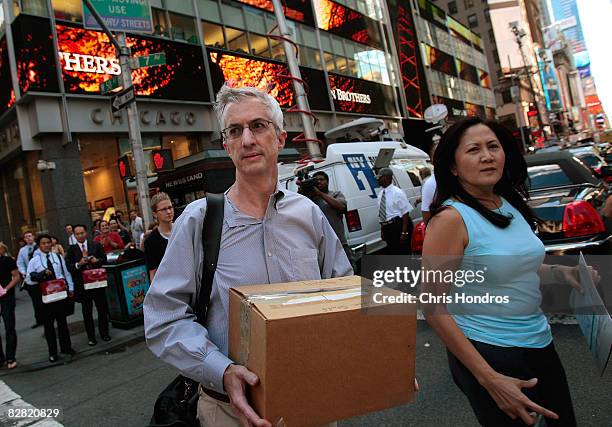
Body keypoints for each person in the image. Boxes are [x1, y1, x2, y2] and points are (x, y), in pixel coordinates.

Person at [144, 85, 352, 427]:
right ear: (226, 146)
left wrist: (376, 357)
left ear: (281, 138)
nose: (247, 139)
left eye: (258, 126)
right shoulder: (198, 221)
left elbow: (343, 294)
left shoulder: (308, 214)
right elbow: (163, 317)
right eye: (235, 131)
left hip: (310, 398)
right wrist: (221, 370)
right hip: (230, 411)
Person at [423, 117, 585, 426]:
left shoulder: (506, 203)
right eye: (473, 149)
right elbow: (432, 306)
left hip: (539, 341)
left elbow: (517, 267)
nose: (487, 156)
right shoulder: (450, 220)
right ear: (453, 167)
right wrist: (489, 379)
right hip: (491, 353)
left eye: (493, 146)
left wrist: (560, 273)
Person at [25, 234, 75, 363]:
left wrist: (70, 288)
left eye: (48, 242)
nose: (47, 245)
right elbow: (29, 280)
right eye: (43, 243)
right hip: (46, 297)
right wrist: (41, 275)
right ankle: (52, 352)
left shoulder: (57, 256)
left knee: (62, 323)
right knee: (49, 326)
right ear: (39, 245)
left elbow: (66, 273)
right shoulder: (34, 261)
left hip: (60, 294)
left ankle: (66, 348)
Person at [300, 171, 355, 270]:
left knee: (350, 272)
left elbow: (341, 206)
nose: (319, 182)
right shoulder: (308, 200)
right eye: (316, 180)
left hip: (339, 243)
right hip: (321, 248)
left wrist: (320, 194)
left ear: (327, 182)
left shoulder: (335, 194)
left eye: (322, 179)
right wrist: (302, 189)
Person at [66, 225, 110, 346]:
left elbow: (105, 259)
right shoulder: (71, 249)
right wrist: (78, 264)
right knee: (87, 312)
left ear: (86, 233)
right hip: (83, 285)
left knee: (102, 309)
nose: (80, 236)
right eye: (77, 234)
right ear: (74, 235)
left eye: (82, 233)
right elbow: (69, 267)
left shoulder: (95, 245)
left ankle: (104, 333)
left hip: (97, 282)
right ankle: (91, 337)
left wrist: (97, 261)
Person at [376, 167, 413, 255]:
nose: (378, 180)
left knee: (403, 253)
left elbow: (405, 212)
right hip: (387, 228)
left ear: (387, 177)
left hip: (397, 226)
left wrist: (404, 232)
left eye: (380, 177)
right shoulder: (381, 194)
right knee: (393, 252)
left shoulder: (397, 192)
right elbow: (382, 214)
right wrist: (383, 230)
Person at [144, 193, 174, 282]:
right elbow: (153, 272)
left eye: (170, 207)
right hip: (168, 286)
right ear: (155, 214)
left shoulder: (183, 230)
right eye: (164, 209)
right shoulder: (151, 241)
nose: (168, 212)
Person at [16, 231, 43, 328]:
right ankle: (39, 319)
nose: (28, 238)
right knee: (35, 300)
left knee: (44, 298)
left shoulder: (40, 246)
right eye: (26, 237)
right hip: (30, 278)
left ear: (33, 237)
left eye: (29, 236)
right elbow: (20, 263)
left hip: (41, 276)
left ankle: (49, 316)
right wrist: (23, 272)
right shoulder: (22, 250)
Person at [0, 242, 20, 369]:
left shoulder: (8, 261)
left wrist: (6, 289)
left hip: (6, 297)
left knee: (9, 327)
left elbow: (16, 277)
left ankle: (10, 357)